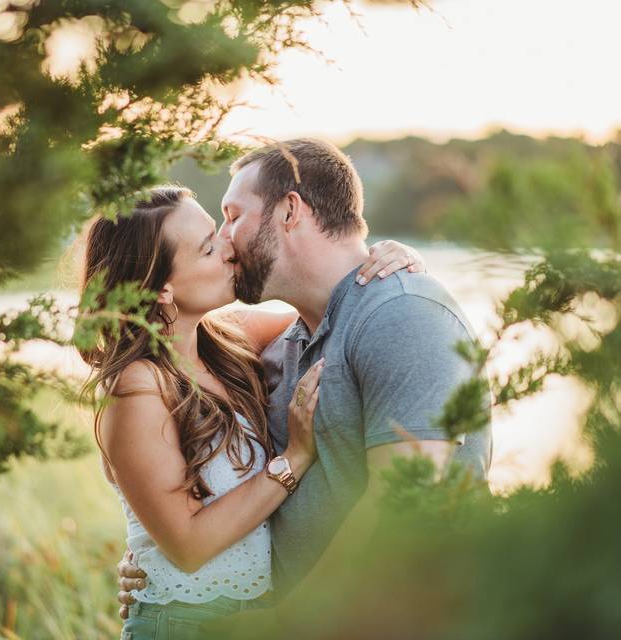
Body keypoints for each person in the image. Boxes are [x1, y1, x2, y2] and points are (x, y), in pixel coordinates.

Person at [117, 138, 493, 615]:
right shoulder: (276, 345)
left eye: (233, 217)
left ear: (290, 210)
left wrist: (293, 622)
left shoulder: (404, 313)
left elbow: (406, 505)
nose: (227, 242)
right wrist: (156, 568)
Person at [77, 185, 425, 639]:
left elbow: (339, 307)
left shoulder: (228, 341)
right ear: (162, 289)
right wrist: (295, 459)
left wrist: (393, 261)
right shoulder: (138, 386)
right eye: (207, 248)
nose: (229, 246)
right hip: (184, 623)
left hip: (252, 617)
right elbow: (186, 546)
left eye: (217, 232)